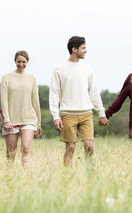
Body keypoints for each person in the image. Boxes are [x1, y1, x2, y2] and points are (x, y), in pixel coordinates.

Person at [49, 36, 109, 166]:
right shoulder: (59, 69)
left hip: (86, 114)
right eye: (83, 48)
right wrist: (55, 116)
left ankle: (90, 172)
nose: (86, 51)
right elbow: (54, 94)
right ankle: (68, 175)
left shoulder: (87, 68)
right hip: (68, 115)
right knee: (70, 147)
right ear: (74, 49)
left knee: (89, 146)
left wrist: (101, 112)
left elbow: (94, 92)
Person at [0, 50, 42, 167]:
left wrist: (39, 123)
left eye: (24, 62)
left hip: (29, 118)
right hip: (12, 120)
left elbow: (35, 101)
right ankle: (9, 177)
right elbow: (4, 100)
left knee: (26, 148)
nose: (21, 64)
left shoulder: (31, 78)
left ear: (27, 62)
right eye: (19, 61)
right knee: (10, 153)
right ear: (15, 61)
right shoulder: (6, 77)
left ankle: (27, 177)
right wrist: (7, 120)